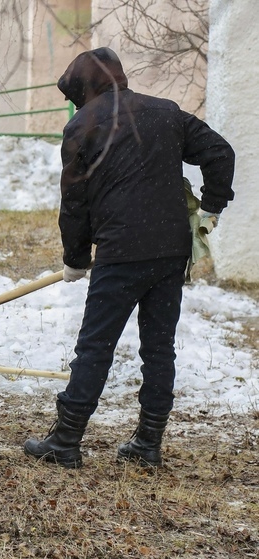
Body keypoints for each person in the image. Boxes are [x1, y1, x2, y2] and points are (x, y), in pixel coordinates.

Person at [24, 48, 235, 469]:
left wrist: (76, 257)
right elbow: (220, 153)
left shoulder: (81, 126)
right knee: (159, 349)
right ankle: (148, 444)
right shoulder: (166, 112)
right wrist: (212, 206)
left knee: (95, 348)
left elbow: (75, 203)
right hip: (171, 250)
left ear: (84, 88)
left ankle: (66, 441)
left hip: (120, 252)